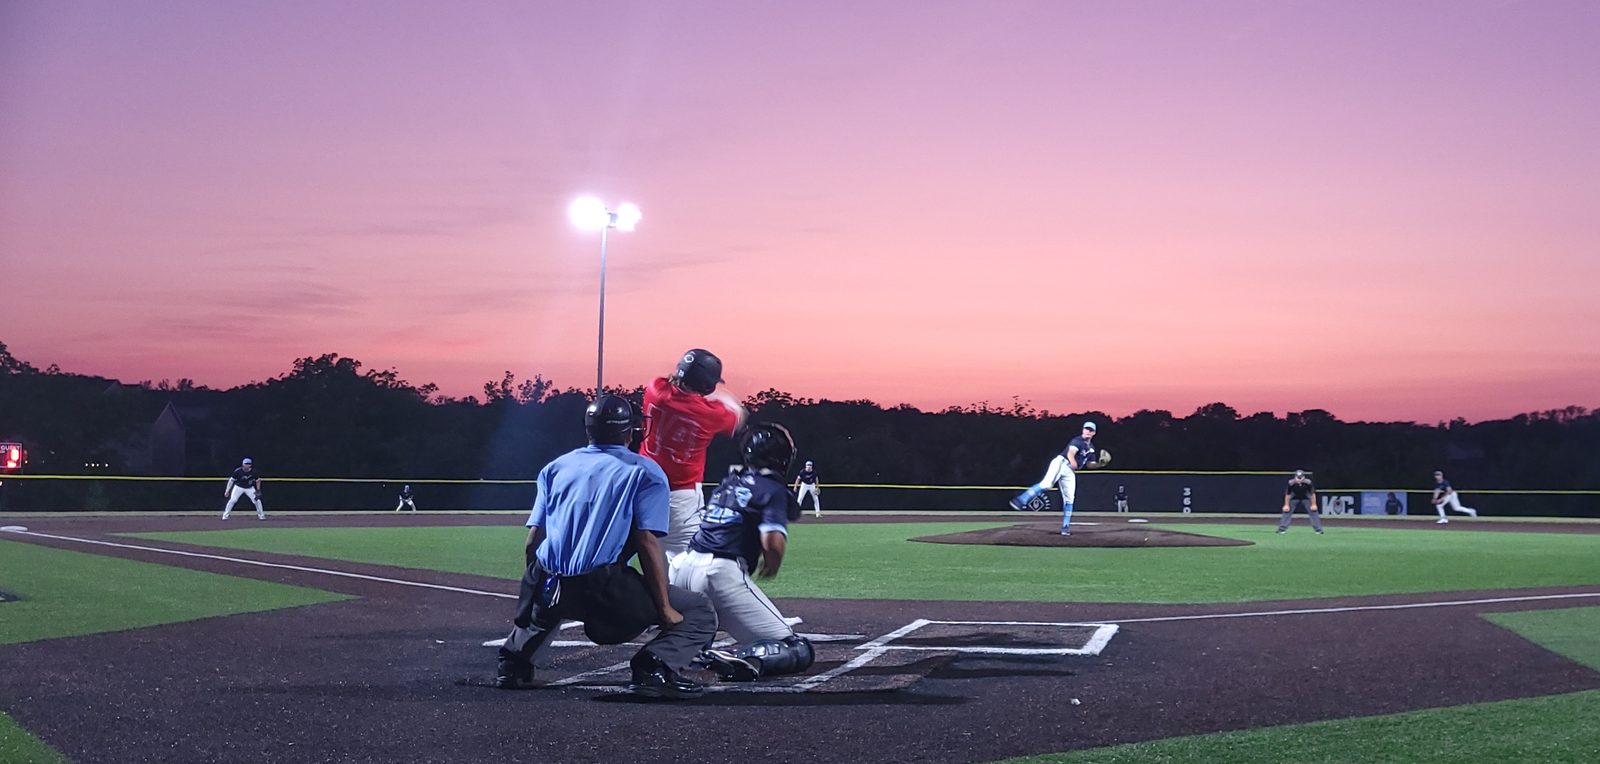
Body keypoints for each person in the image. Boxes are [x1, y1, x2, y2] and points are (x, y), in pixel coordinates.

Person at [494, 395, 718, 698]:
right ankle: (655, 669)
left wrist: (538, 595)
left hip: (546, 580)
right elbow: (646, 542)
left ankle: (514, 663)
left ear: (589, 430)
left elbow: (534, 540)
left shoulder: (556, 467)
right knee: (699, 610)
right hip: (603, 594)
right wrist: (664, 608)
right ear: (630, 432)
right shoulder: (645, 471)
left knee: (550, 585)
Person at [672, 423, 815, 682]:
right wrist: (773, 562)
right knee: (797, 650)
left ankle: (682, 651)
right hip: (719, 571)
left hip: (682, 566)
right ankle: (748, 660)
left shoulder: (729, 481)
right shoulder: (771, 488)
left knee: (695, 635)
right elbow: (771, 541)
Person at [641, 349, 746, 559]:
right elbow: (738, 417)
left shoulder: (654, 389)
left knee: (653, 562)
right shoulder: (709, 413)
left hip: (643, 490)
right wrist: (721, 395)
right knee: (685, 565)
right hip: (681, 497)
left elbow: (671, 384)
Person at [1009, 421, 1106, 535]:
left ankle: (1065, 527)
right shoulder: (1078, 440)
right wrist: (1073, 461)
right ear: (1083, 430)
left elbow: (1090, 464)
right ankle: (1021, 500)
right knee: (1047, 484)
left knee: (1070, 498)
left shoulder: (1091, 448)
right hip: (1061, 463)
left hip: (1070, 471)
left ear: (1094, 432)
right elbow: (1070, 453)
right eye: (1086, 429)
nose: (1087, 431)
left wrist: (1100, 464)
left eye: (1090, 430)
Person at [1277, 469, 1322, 534]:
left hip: (1306, 496)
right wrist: (1286, 505)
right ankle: (1281, 529)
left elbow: (1312, 494)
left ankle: (1318, 530)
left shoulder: (1308, 482)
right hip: (1294, 496)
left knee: (1313, 511)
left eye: (1301, 478)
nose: (1299, 479)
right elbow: (1288, 494)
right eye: (1298, 478)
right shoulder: (1291, 483)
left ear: (1304, 477)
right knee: (1287, 511)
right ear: (1295, 477)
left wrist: (1314, 504)